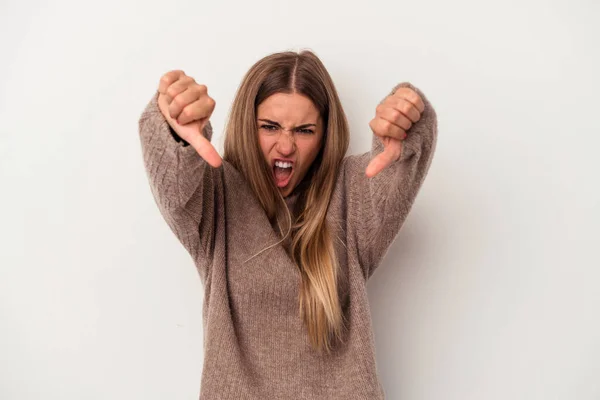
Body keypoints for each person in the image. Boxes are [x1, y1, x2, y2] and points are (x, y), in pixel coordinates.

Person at [138, 49, 437, 399]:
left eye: (305, 130)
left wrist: (407, 119)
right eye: (269, 126)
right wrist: (174, 130)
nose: (286, 145)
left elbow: (403, 160)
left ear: (326, 134)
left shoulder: (351, 194)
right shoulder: (217, 196)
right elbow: (174, 187)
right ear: (248, 124)